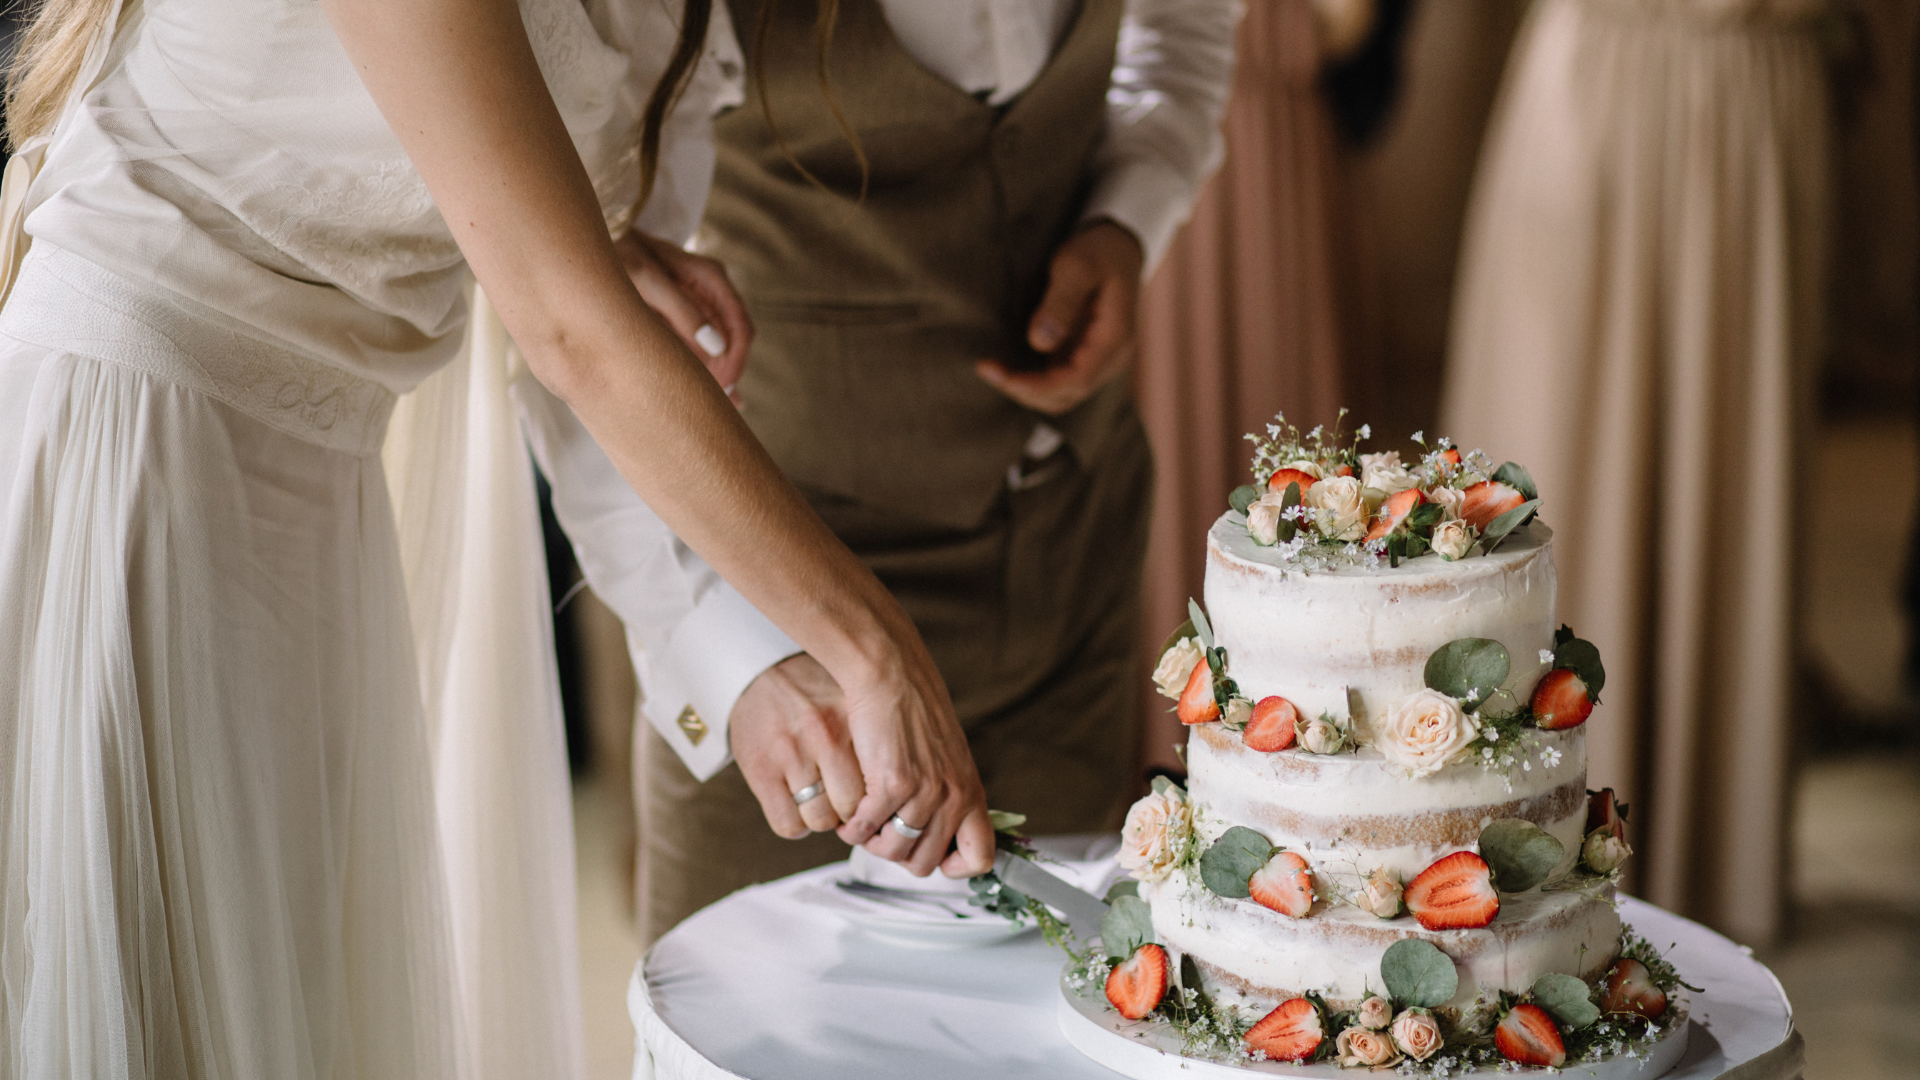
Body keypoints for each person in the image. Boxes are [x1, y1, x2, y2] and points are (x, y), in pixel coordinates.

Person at [0, 0, 992, 1074]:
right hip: (139, 455)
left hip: (324, 514)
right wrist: (873, 646)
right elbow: (575, 328)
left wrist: (749, 664)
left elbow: (592, 327)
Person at [618, 0, 1241, 943]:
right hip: (787, 628)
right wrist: (731, 651)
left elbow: (1185, 29)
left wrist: (1129, 215)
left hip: (1072, 568)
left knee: (1041, 1020)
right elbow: (583, 317)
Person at [1438, 0, 1829, 943]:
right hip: (1599, 85)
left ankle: (1706, 856)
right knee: (1566, 486)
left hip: (1756, 86)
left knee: (1732, 500)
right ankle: (1517, 857)